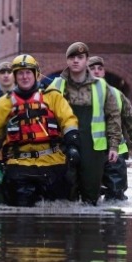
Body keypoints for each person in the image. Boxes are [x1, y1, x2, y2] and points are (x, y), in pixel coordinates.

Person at [0, 55, 80, 207]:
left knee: (56, 215)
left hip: (52, 163)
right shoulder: (5, 103)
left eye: (28, 72)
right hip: (19, 165)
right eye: (20, 73)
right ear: (15, 76)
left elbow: (68, 120)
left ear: (35, 74)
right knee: (19, 219)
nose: (25, 77)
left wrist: (73, 146)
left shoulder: (53, 97)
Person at [47, 42, 123, 206]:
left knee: (91, 195)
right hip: (64, 146)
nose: (76, 61)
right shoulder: (56, 85)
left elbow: (113, 117)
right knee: (66, 193)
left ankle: (90, 229)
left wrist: (114, 146)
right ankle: (67, 228)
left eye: (80, 57)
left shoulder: (101, 86)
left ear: (86, 60)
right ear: (67, 61)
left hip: (93, 149)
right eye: (72, 57)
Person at [88, 55, 132, 201]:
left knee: (116, 197)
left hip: (116, 153)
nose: (96, 72)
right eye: (92, 69)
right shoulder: (78, 96)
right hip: (90, 154)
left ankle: (115, 222)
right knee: (89, 198)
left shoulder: (117, 94)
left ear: (104, 72)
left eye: (100, 69)